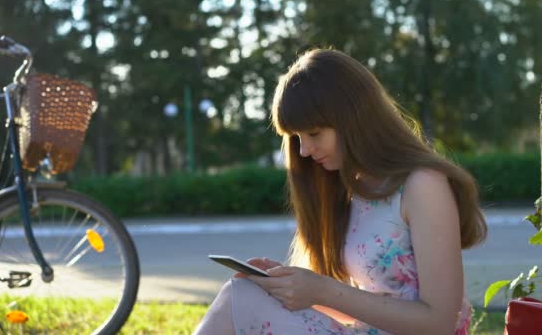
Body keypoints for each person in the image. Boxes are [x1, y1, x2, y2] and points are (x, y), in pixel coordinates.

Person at [194, 48, 487, 335]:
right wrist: (292, 287)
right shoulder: (353, 188)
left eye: (314, 133)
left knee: (239, 298)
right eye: (296, 138)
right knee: (245, 292)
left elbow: (440, 323)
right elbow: (370, 306)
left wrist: (324, 289)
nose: (304, 150)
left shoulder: (422, 185)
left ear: (354, 118)